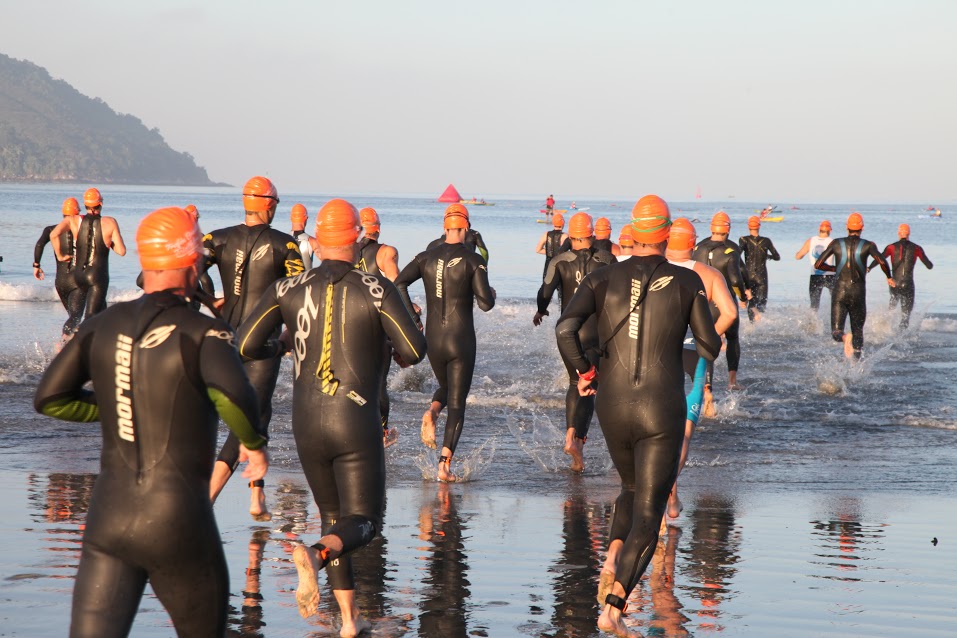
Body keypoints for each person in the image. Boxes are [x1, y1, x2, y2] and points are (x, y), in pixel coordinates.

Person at [34, 206, 269, 638]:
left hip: (108, 519)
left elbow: (50, 398)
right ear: (193, 261)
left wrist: (121, 404)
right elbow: (236, 398)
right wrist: (253, 443)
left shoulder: (102, 324)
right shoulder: (205, 332)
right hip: (178, 520)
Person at [236, 199, 426, 633]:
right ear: (358, 239)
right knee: (365, 521)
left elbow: (247, 344)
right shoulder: (377, 287)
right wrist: (390, 349)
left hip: (305, 419)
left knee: (331, 515)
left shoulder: (288, 288)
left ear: (317, 242)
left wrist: (281, 347)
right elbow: (414, 351)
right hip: (355, 416)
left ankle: (348, 621)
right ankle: (317, 556)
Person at [556, 195, 721, 638]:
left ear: (634, 231)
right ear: (667, 234)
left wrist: (584, 372)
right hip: (659, 409)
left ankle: (611, 560)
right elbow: (710, 344)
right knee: (650, 515)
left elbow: (564, 329)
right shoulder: (687, 281)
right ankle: (614, 606)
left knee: (629, 488)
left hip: (612, 407)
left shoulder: (601, 276)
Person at [205, 176, 304, 519]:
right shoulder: (286, 246)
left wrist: (211, 301)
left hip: (223, 337)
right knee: (247, 418)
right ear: (269, 204)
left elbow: (191, 271)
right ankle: (209, 497)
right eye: (276, 202)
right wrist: (292, 335)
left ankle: (256, 498)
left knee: (261, 414)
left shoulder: (216, 238)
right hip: (262, 344)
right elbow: (299, 293)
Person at [396, 203, 496, 482]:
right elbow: (485, 303)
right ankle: (444, 465)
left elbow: (399, 283)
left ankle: (431, 411)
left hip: (433, 340)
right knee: (458, 402)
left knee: (445, 387)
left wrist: (414, 318)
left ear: (445, 226)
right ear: (466, 227)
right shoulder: (473, 260)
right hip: (460, 340)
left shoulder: (425, 256)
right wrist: (492, 292)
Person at [664, 218, 737, 520]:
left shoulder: (653, 269)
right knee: (684, 433)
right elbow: (730, 313)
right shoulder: (707, 273)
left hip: (659, 354)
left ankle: (657, 491)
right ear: (693, 245)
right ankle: (671, 487)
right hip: (695, 355)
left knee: (658, 427)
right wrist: (709, 337)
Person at [533, 212, 615, 471]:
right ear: (591, 234)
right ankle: (579, 441)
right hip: (596, 333)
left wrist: (541, 310)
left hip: (568, 333)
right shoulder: (606, 260)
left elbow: (545, 290)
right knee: (591, 385)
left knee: (574, 381)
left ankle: (570, 435)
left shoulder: (559, 260)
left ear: (572, 235)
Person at [814, 212, 894, 358]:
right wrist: (889, 277)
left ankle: (844, 338)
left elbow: (818, 264)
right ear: (862, 227)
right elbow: (882, 261)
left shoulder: (836, 243)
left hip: (839, 292)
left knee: (836, 331)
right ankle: (857, 363)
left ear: (847, 227)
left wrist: (834, 268)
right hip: (858, 292)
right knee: (858, 331)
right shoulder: (868, 245)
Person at [355, 206, 402, 447]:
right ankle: (381, 432)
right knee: (379, 381)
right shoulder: (386, 252)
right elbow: (396, 287)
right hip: (376, 325)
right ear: (378, 229)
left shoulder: (345, 252)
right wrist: (412, 314)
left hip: (349, 323)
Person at [692, 211, 750, 394]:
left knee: (705, 341)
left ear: (711, 228)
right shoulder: (731, 251)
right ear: (728, 229)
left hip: (701, 301)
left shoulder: (697, 248)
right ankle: (732, 381)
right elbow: (736, 279)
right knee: (732, 338)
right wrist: (742, 297)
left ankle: (707, 389)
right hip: (723, 301)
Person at [50, 187, 126, 320]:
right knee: (90, 318)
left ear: (85, 205)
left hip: (79, 275)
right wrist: (108, 242)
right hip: (97, 277)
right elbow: (122, 251)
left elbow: (53, 234)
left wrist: (61, 256)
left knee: (102, 313)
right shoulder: (110, 222)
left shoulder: (73, 220)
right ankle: (74, 340)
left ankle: (100, 340)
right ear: (101, 204)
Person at [33, 197, 85, 338]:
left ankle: (72, 345)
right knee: (75, 317)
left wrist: (36, 265)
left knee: (73, 317)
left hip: (60, 282)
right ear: (78, 213)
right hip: (77, 282)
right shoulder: (84, 231)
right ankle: (62, 344)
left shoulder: (51, 229)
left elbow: (39, 244)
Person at [870, 223, 933, 328]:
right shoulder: (917, 248)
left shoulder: (891, 247)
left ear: (898, 233)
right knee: (906, 316)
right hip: (908, 284)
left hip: (894, 283)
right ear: (909, 234)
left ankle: (886, 331)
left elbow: (879, 259)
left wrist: (869, 268)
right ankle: (902, 337)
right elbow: (929, 265)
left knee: (891, 310)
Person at [738, 216, 780, 322]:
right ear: (759, 226)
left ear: (748, 226)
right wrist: (767, 256)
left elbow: (737, 254)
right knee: (761, 303)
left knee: (750, 300)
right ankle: (759, 325)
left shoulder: (743, 240)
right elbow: (777, 257)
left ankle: (751, 324)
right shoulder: (766, 241)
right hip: (761, 276)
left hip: (748, 275)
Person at [794, 220, 835, 311]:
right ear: (830, 230)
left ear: (819, 229)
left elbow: (798, 256)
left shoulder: (810, 241)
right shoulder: (833, 242)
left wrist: (797, 253)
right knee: (836, 302)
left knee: (814, 305)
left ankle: (812, 324)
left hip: (815, 277)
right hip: (830, 276)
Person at [534, 212, 568, 280]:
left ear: (553, 223)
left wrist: (550, 252)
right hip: (560, 267)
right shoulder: (565, 236)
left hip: (548, 266)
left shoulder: (546, 234)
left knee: (545, 289)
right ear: (563, 223)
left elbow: (538, 250)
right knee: (561, 290)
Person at [290, 203, 317, 268]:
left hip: (286, 278)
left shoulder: (282, 239)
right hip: (306, 278)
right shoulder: (312, 241)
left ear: (291, 218)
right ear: (306, 218)